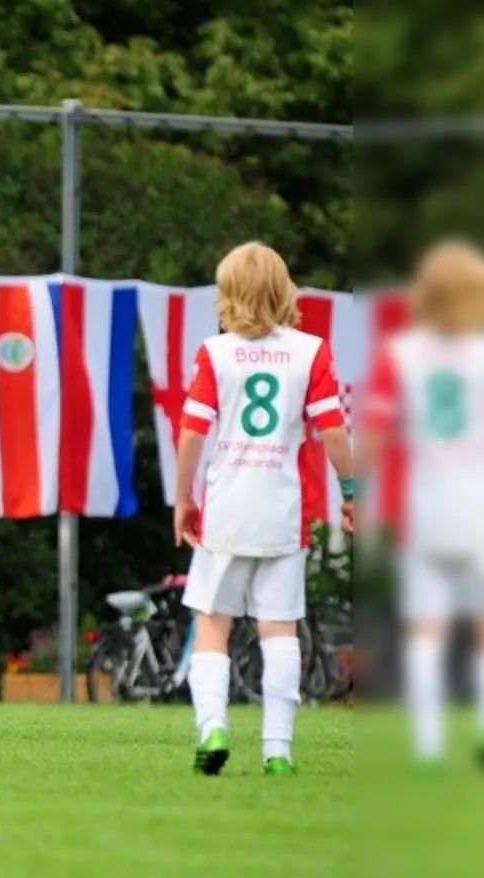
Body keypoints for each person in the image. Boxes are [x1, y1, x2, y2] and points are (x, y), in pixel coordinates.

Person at [172, 242, 354, 776]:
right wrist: (352, 492)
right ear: (284, 289)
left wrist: (183, 498)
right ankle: (278, 750)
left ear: (228, 293)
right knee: (279, 630)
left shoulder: (216, 353)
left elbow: (192, 432)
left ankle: (213, 729)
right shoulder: (310, 351)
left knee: (212, 626)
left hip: (225, 512)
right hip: (283, 513)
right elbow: (334, 431)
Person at [360, 239, 484, 768]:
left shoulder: (401, 354)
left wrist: (358, 498)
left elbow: (372, 438)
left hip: (424, 509)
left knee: (425, 630)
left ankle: (429, 747)